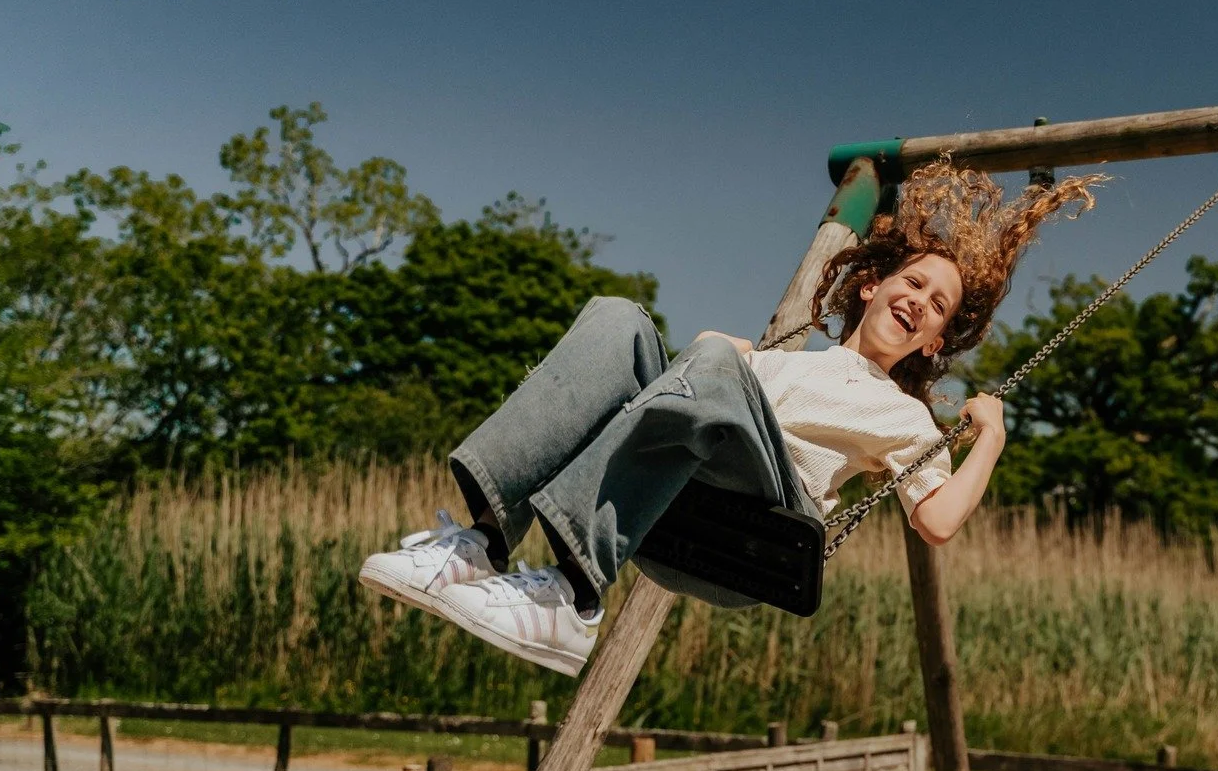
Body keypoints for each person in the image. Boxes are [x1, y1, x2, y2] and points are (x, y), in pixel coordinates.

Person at [358, 157, 1098, 676]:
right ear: (872, 286)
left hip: (758, 523)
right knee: (619, 320)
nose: (920, 302)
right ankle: (483, 541)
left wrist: (990, 437)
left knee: (714, 355)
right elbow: (684, 396)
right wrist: (721, 359)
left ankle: (571, 595)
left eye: (937, 307)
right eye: (914, 283)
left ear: (933, 341)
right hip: (679, 498)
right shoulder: (785, 359)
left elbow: (936, 521)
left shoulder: (905, 418)